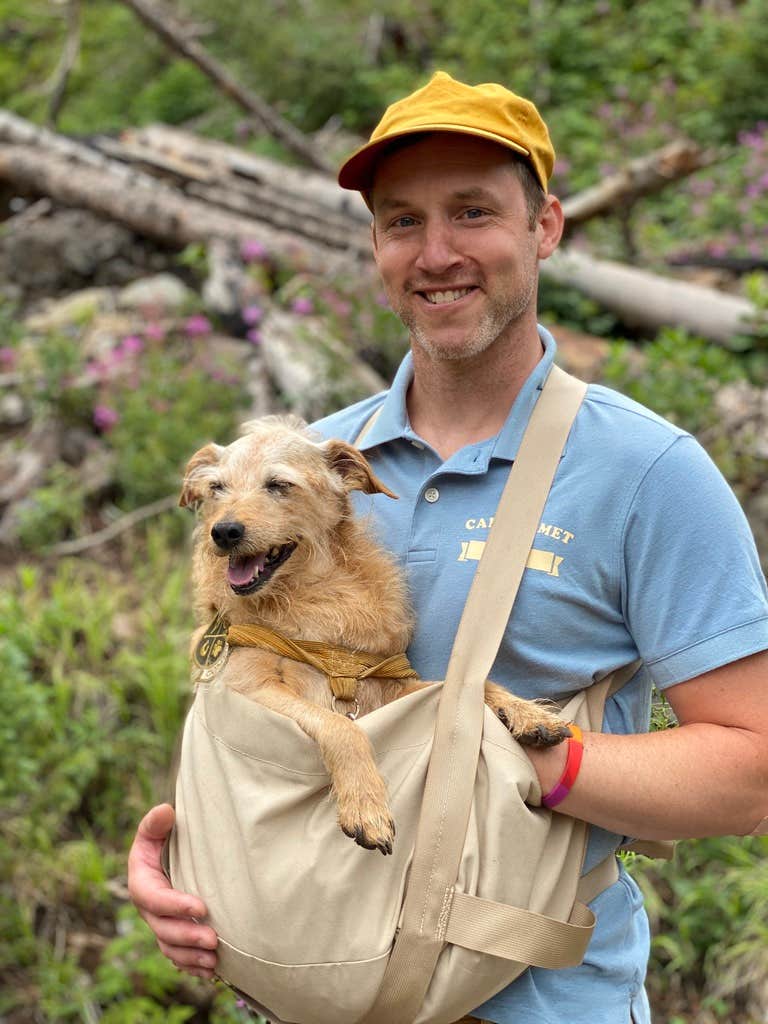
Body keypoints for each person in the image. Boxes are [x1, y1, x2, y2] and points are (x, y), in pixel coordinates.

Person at [128, 72, 768, 1023]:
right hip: (320, 987)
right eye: (402, 222)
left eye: (473, 212)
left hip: (548, 1000)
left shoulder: (646, 471)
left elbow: (749, 769)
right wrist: (182, 864)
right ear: (376, 245)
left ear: (545, 226)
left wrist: (529, 763)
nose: (436, 255)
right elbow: (251, 705)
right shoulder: (307, 473)